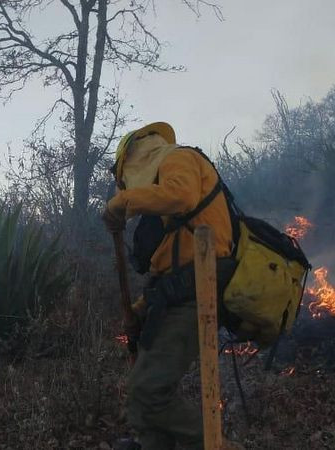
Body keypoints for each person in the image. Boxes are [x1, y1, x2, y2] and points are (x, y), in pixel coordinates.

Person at [102, 122, 239, 450]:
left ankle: (218, 446)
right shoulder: (168, 216)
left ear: (134, 157)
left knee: (148, 391)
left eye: (124, 179)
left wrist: (123, 204)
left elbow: (181, 195)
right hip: (180, 292)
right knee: (140, 401)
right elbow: (167, 269)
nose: (125, 187)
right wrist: (140, 309)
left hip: (200, 289)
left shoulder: (177, 159)